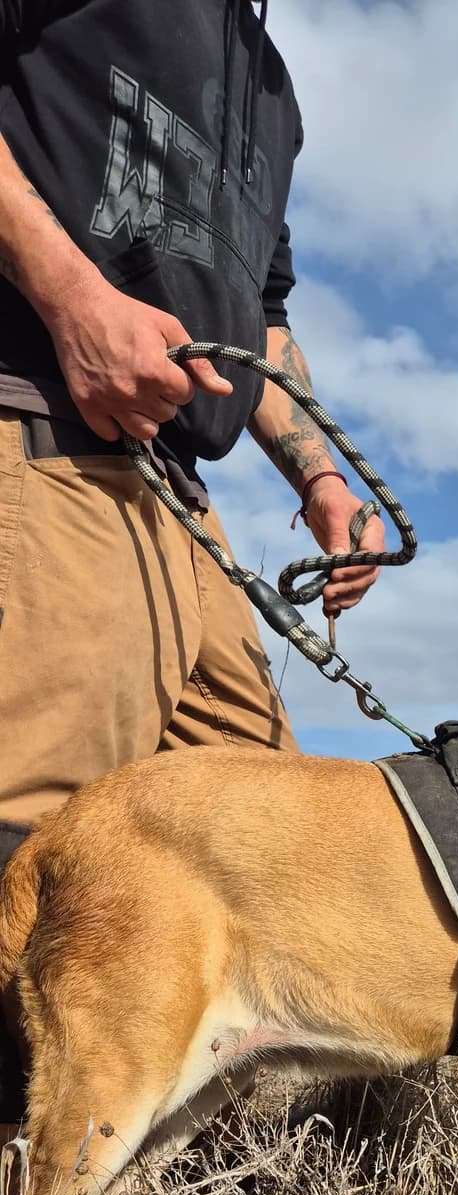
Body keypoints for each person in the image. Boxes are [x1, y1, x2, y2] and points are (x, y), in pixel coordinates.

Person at [0, 1, 385, 1123]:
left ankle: (109, 1194)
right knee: (32, 846)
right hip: (43, 424)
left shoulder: (274, 92)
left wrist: (321, 480)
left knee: (274, 853)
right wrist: (72, 299)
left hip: (184, 501)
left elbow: (260, 321)